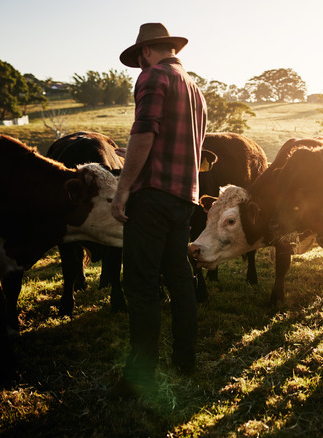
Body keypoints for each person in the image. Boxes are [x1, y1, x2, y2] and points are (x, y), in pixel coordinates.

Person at [110, 23, 207, 398]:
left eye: (138, 59)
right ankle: (185, 361)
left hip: (151, 195)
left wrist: (123, 190)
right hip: (185, 196)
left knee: (141, 284)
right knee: (179, 277)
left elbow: (145, 131)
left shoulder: (153, 77)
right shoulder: (196, 90)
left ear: (148, 51)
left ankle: (139, 377)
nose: (138, 66)